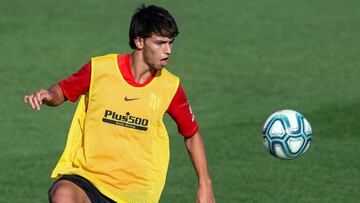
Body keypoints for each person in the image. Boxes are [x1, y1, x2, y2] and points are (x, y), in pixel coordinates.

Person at [24, 4, 215, 203]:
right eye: (160, 43)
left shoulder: (170, 86)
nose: (168, 50)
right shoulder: (100, 69)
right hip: (88, 177)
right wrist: (49, 95)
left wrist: (205, 184)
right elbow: (63, 90)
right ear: (139, 41)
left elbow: (191, 134)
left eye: (171, 43)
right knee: (63, 195)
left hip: (135, 192)